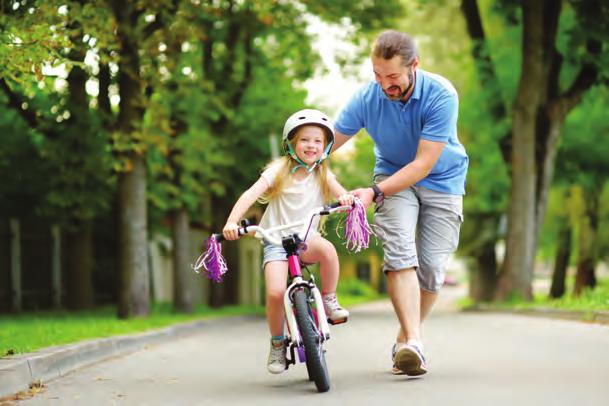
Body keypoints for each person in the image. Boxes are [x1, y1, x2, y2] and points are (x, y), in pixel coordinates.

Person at [332, 30, 468, 376]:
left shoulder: (441, 94)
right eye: (377, 75)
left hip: (442, 179)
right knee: (400, 252)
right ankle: (414, 343)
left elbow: (424, 164)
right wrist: (295, 157)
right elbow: (329, 140)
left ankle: (406, 338)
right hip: (392, 180)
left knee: (433, 268)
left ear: (414, 66)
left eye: (392, 77)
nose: (384, 84)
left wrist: (373, 194)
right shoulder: (367, 97)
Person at [222, 109, 354, 375]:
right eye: (305, 140)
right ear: (291, 143)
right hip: (275, 240)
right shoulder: (279, 169)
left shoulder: (322, 173)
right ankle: (278, 343)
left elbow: (344, 196)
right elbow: (251, 194)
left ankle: (329, 299)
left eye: (318, 141)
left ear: (326, 146)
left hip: (307, 238)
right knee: (273, 293)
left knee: (328, 250)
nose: (311, 145)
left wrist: (348, 201)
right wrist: (232, 222)